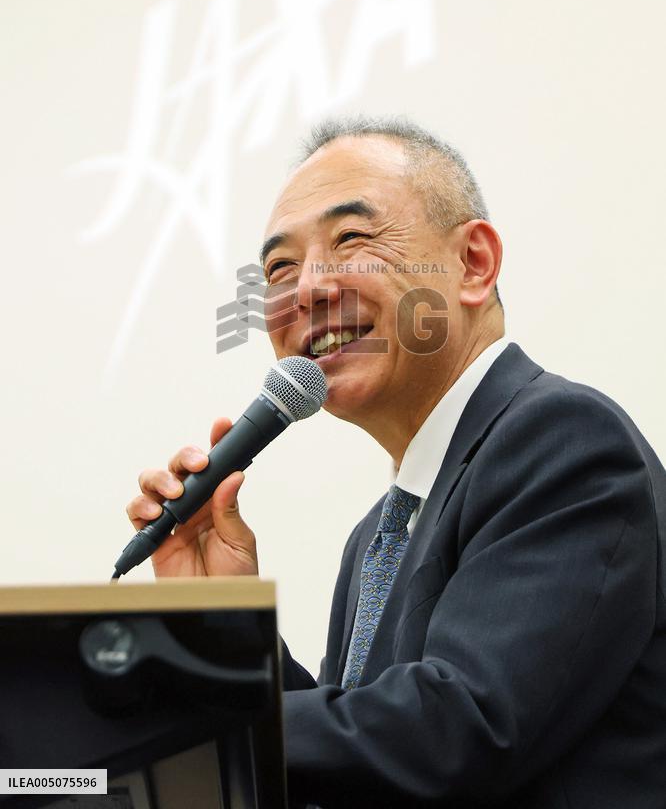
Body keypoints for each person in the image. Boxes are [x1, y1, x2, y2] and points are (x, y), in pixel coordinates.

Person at [126, 117, 666, 808]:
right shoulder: (378, 533)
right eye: (280, 269)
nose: (308, 290)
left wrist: (185, 722)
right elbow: (357, 772)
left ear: (473, 264)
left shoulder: (564, 440)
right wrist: (222, 618)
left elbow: (460, 729)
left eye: (351, 239)